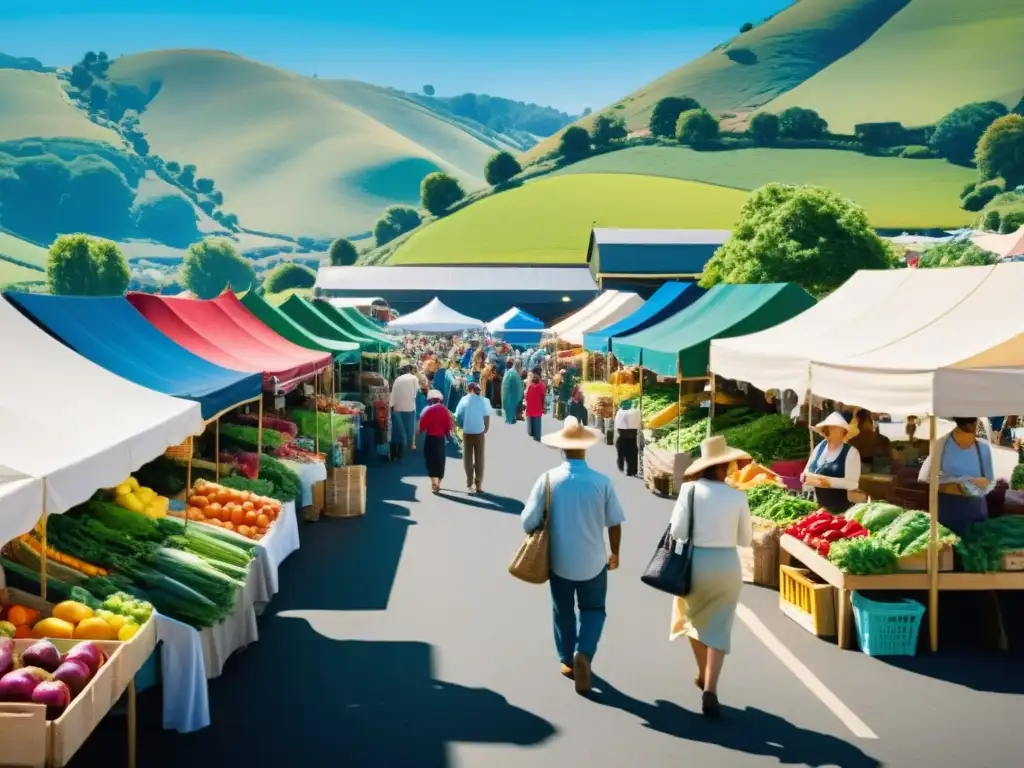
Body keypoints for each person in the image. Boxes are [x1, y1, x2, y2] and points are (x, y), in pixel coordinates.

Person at [520, 416, 624, 695]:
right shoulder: (602, 482)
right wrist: (615, 553)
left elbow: (527, 521)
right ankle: (584, 653)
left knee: (562, 610)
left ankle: (567, 659)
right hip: (593, 561)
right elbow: (614, 522)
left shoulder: (548, 480)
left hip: (559, 561)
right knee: (593, 610)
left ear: (562, 449)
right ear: (585, 449)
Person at [668, 435, 752, 717]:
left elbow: (677, 532)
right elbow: (745, 540)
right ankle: (710, 688)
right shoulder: (738, 496)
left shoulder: (689, 491)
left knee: (693, 619)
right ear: (724, 465)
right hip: (727, 565)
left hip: (695, 564)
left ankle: (702, 671)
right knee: (719, 627)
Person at [917, 417, 994, 535]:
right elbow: (924, 477)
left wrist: (976, 484)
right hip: (949, 508)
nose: (973, 425)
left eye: (973, 420)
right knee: (950, 546)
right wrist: (959, 481)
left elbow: (990, 480)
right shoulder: (942, 444)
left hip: (975, 508)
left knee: (974, 547)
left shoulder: (982, 447)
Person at [800, 412, 862, 513]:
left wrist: (828, 482)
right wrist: (804, 477)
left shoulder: (851, 452)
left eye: (834, 428)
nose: (829, 431)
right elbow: (807, 470)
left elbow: (853, 484)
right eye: (828, 428)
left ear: (844, 432)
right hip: (818, 508)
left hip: (842, 510)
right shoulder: (820, 448)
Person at [455, 381, 492, 493]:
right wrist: (485, 428)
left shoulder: (464, 400)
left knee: (467, 457)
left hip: (467, 432)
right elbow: (486, 417)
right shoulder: (484, 401)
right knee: (479, 457)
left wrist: (461, 425)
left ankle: (469, 480)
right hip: (479, 432)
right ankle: (479, 483)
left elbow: (458, 416)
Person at [418, 389, 454, 493]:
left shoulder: (428, 410)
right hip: (440, 440)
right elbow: (448, 427)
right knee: (440, 461)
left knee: (430, 461)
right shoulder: (445, 411)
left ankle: (434, 481)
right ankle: (438, 481)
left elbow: (421, 427)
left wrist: (414, 441)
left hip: (430, 439)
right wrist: (449, 437)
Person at [389, 365, 420, 458]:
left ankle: (395, 452)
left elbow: (393, 394)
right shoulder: (414, 378)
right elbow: (416, 393)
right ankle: (402, 452)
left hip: (396, 407)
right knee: (408, 430)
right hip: (409, 408)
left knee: (396, 430)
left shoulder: (397, 379)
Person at [614, 399, 641, 476]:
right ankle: (632, 471)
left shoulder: (620, 412)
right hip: (632, 438)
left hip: (623, 437)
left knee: (622, 452)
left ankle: (621, 463)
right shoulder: (635, 412)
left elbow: (618, 426)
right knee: (632, 455)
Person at [525, 368, 547, 441]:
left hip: (530, 408)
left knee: (531, 423)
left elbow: (527, 397)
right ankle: (537, 437)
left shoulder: (531, 386)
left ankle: (532, 434)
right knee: (537, 423)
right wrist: (543, 406)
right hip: (537, 408)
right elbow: (543, 396)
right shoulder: (541, 386)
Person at [501, 357, 524, 425]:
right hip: (512, 395)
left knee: (508, 405)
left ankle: (510, 417)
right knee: (512, 404)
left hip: (507, 394)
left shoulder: (509, 372)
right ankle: (513, 418)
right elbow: (519, 389)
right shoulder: (515, 374)